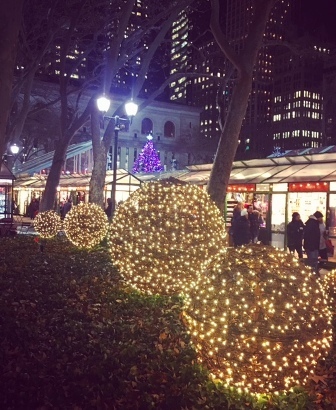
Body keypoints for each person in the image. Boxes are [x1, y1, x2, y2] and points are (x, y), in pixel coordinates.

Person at [303, 211, 323, 276]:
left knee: (313, 260)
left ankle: (313, 273)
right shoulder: (312, 223)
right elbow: (309, 236)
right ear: (317, 217)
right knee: (312, 261)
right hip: (312, 246)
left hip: (312, 246)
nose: (321, 219)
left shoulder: (313, 223)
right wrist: (311, 246)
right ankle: (312, 274)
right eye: (320, 218)